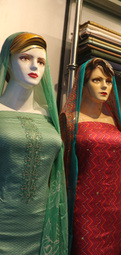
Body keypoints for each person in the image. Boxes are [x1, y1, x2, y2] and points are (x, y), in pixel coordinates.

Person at [0, 32, 67, 254]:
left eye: (41, 61)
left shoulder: (49, 116)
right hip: (3, 224)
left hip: (42, 226)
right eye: (24, 58)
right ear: (7, 62)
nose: (34, 66)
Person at [60, 58, 121, 255]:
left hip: (117, 208)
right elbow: (62, 170)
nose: (104, 86)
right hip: (84, 210)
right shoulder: (69, 120)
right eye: (97, 80)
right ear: (83, 83)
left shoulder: (114, 121)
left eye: (108, 81)